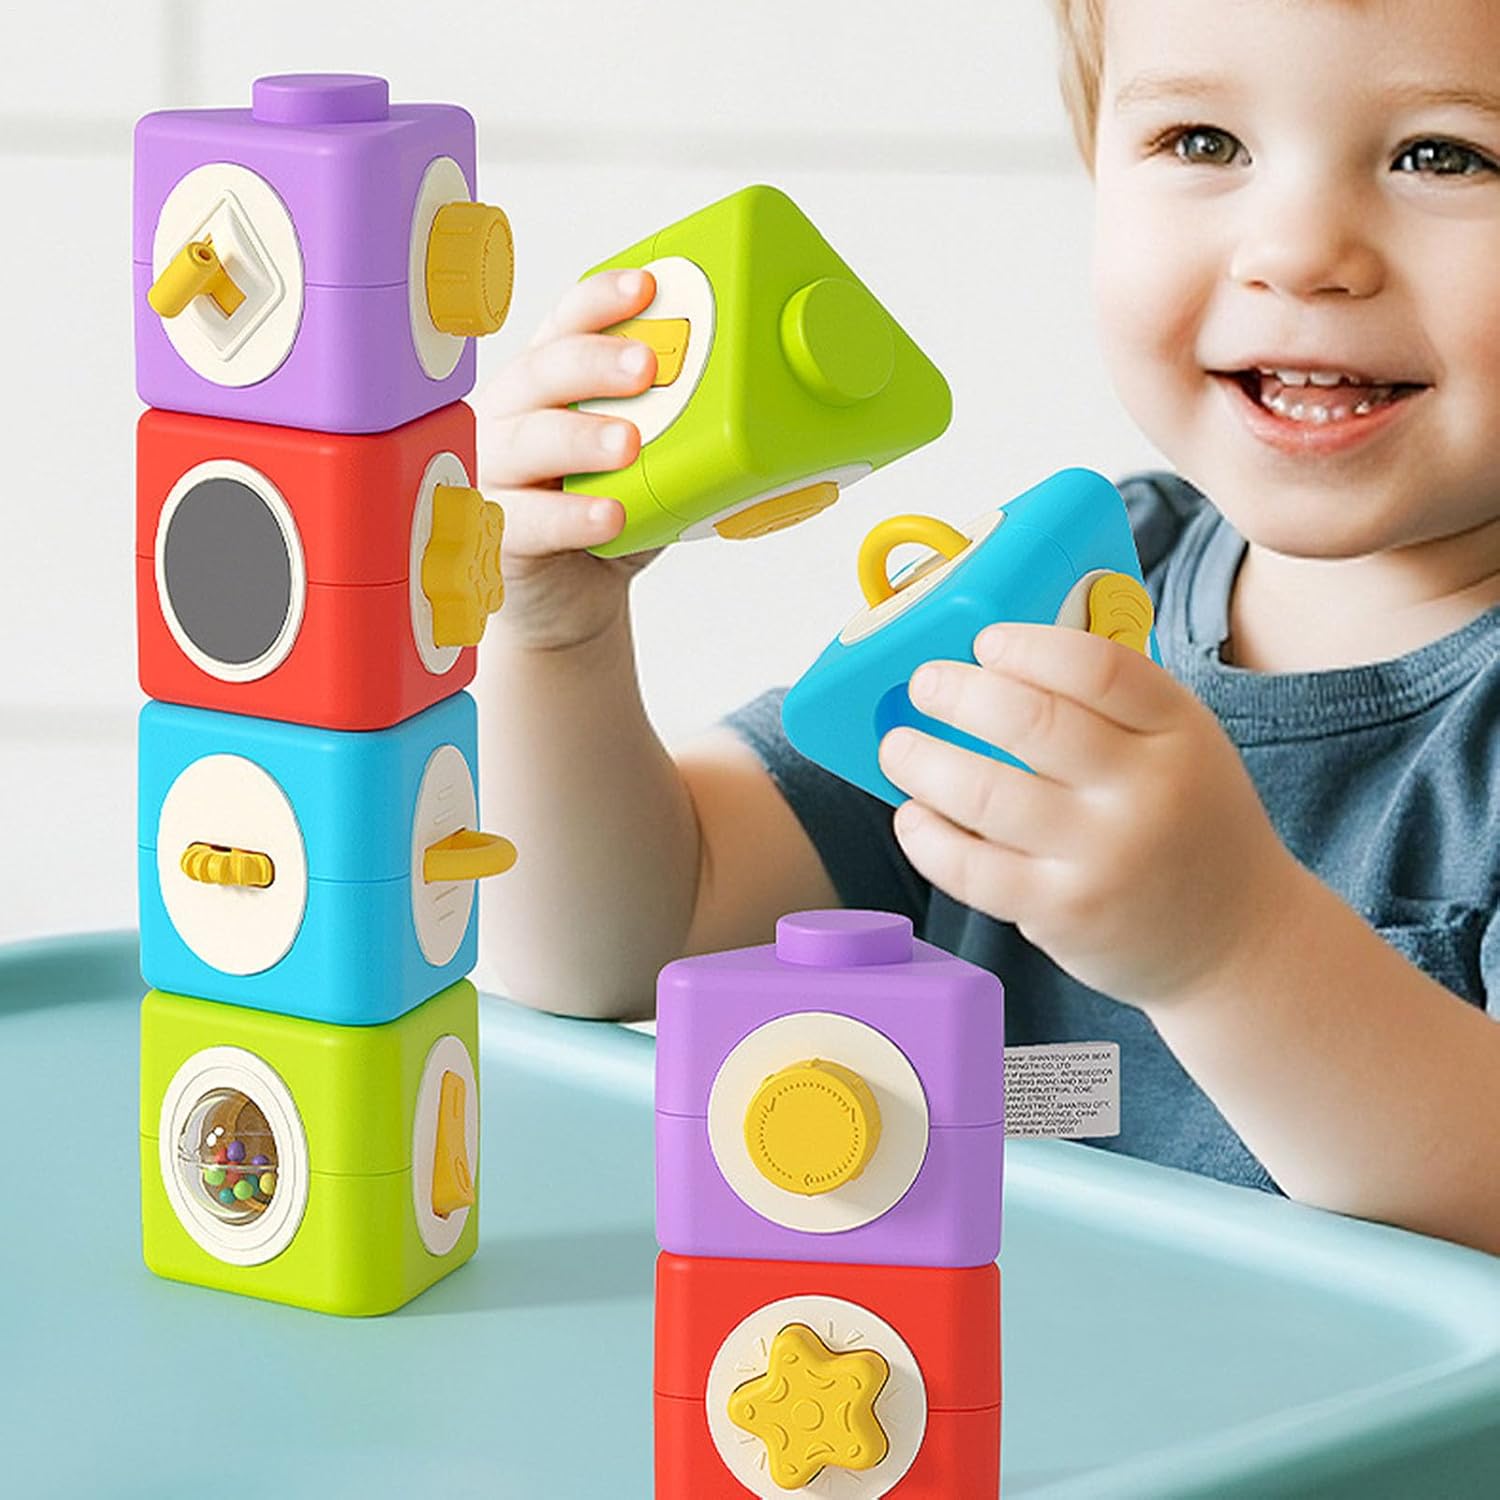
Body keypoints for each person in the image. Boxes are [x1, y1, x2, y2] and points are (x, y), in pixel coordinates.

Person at [473, 0, 1500, 1254]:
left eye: (1445, 156)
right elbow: (624, 940)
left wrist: (1231, 949)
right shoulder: (1075, 577)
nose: (1296, 253)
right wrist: (556, 642)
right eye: (1202, 141)